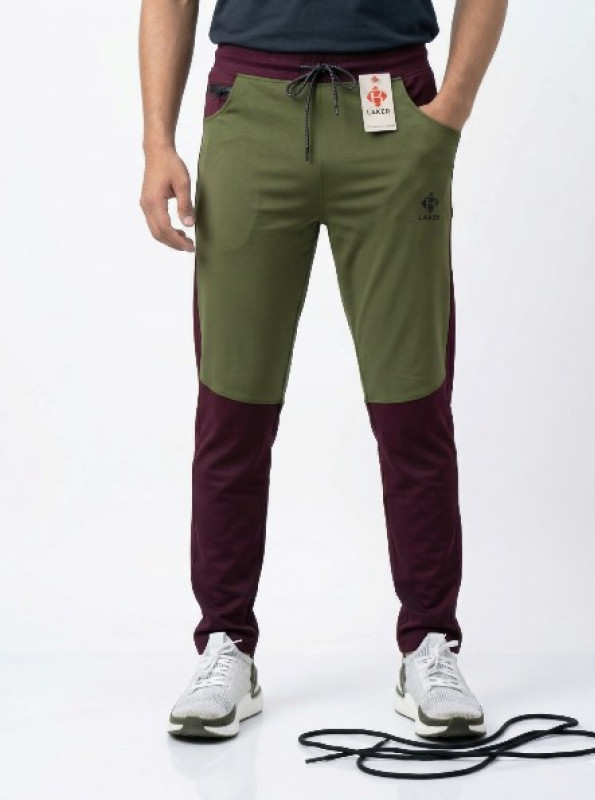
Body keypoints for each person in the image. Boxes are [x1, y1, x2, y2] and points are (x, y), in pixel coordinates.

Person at [139, 0, 507, 740]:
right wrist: (157, 141)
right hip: (250, 113)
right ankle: (225, 642)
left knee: (412, 405)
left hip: (394, 112)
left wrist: (452, 109)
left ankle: (430, 643)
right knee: (233, 407)